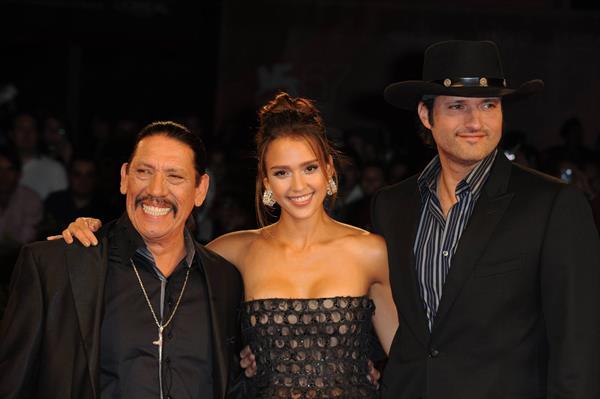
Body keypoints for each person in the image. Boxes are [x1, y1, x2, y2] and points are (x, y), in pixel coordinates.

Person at [57, 93, 397, 398]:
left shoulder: (369, 251)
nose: (298, 185)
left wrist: (379, 371)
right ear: (266, 182)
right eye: (281, 173)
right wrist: (96, 232)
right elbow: (158, 253)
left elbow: (407, 358)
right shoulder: (233, 252)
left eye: (308, 168)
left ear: (328, 170)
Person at [374, 40, 600, 399]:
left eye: (488, 105)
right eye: (458, 106)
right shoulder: (390, 206)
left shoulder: (552, 205)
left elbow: (578, 347)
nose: (475, 121)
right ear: (425, 115)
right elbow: (382, 315)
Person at [0, 121, 246, 399]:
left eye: (174, 176)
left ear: (200, 189)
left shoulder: (225, 280)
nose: (156, 190)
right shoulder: (54, 267)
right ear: (124, 177)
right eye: (144, 172)